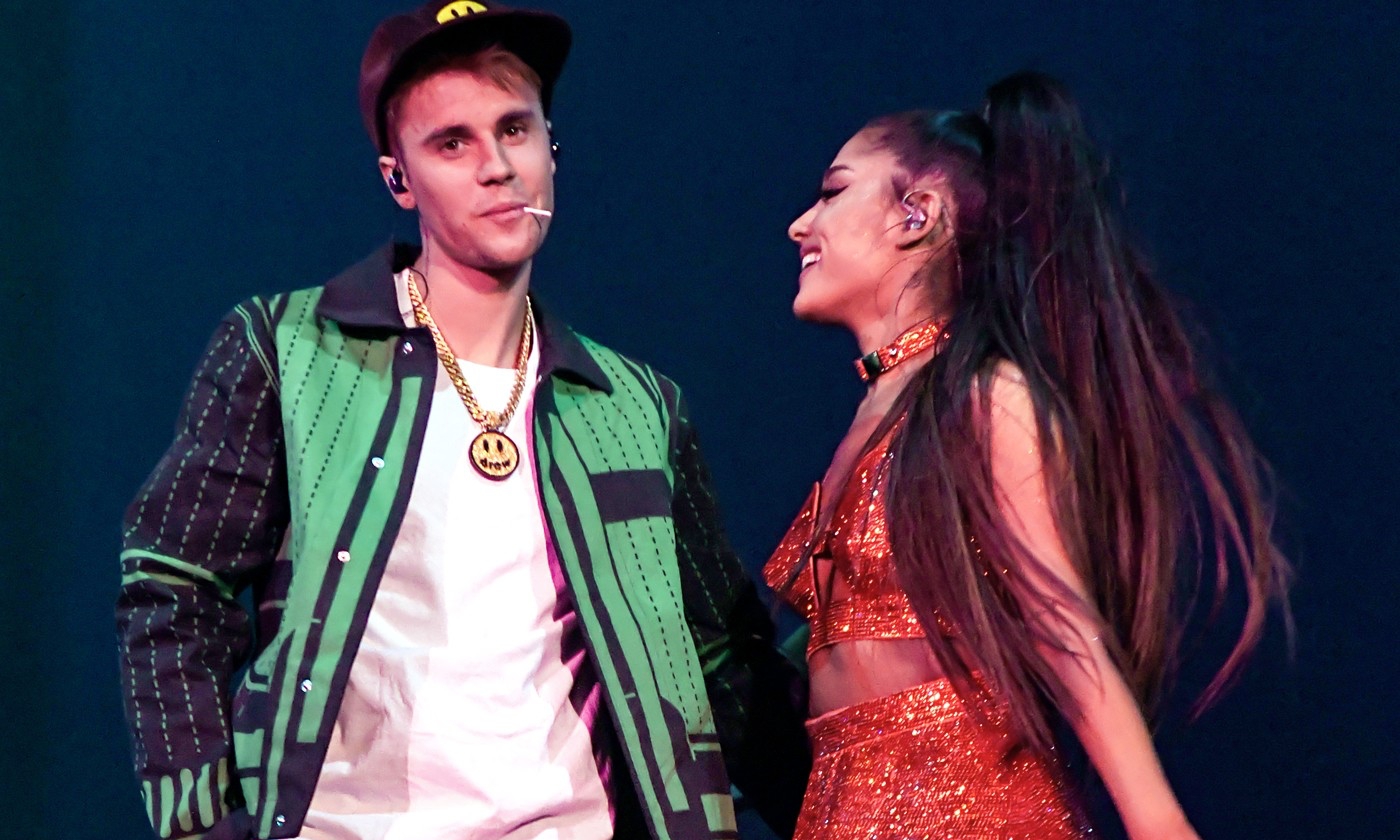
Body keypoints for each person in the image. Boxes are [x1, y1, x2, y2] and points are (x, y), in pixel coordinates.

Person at [116, 3, 808, 838]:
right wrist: (201, 823)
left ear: (551, 146)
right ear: (398, 179)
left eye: (515, 130)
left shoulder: (635, 404)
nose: (498, 167)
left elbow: (720, 659)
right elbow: (174, 588)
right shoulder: (287, 350)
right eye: (453, 143)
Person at [763, 71, 1290, 839]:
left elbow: (1061, 625)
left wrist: (1158, 823)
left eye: (833, 192)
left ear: (917, 214)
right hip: (841, 812)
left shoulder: (986, 397)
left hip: (969, 808)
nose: (800, 225)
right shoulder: (877, 411)